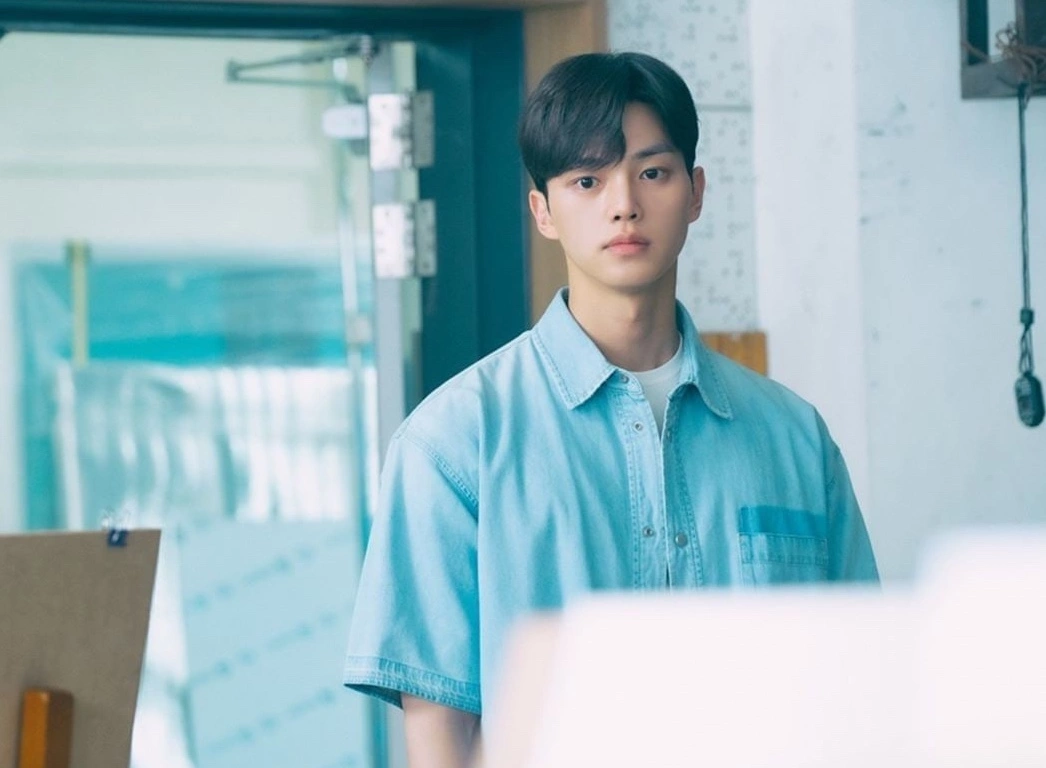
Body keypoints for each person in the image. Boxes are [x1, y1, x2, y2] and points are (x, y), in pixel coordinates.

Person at [342, 51, 878, 767]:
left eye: (652, 173)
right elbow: (440, 741)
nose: (624, 204)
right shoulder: (452, 444)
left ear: (696, 192)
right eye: (587, 180)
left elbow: (859, 698)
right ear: (543, 211)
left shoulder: (794, 437)